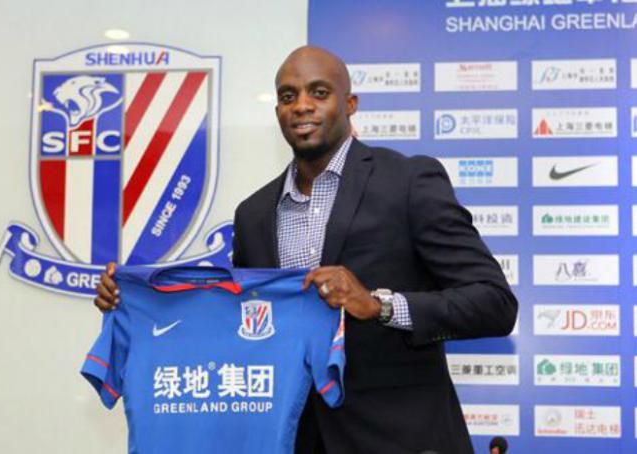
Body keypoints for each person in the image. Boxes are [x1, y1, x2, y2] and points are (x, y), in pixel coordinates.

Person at [95, 46, 518, 454]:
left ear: (349, 103)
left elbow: (495, 304)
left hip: (400, 438)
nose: (301, 106)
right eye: (287, 96)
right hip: (295, 440)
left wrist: (379, 306)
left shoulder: (408, 181)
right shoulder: (254, 213)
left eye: (319, 92)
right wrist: (136, 300)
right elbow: (243, 327)